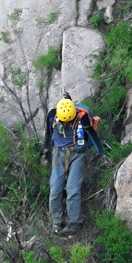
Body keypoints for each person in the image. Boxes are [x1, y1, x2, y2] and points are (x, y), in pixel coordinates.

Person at [45, 94, 105, 234]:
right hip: (59, 153)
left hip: (77, 153)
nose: (66, 125)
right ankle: (56, 222)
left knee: (72, 188)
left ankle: (74, 223)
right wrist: (46, 153)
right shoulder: (52, 116)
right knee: (55, 189)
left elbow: (92, 134)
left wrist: (102, 154)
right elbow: (48, 135)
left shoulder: (81, 117)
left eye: (69, 121)